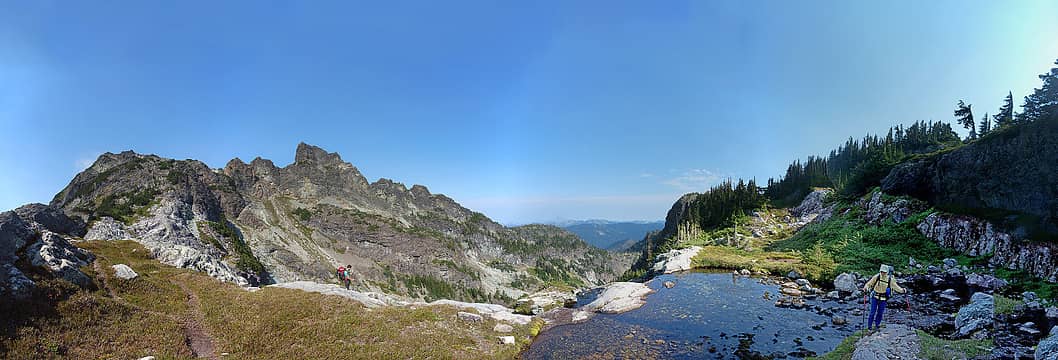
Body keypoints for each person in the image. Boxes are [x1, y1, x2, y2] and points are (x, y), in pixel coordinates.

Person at [862, 264, 906, 331]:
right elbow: (869, 284)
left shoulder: (890, 280)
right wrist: (866, 288)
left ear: (887, 272)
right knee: (872, 313)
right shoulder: (877, 277)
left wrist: (902, 290)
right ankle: (869, 327)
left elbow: (896, 287)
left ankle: (877, 325)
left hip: (883, 299)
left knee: (880, 313)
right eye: (882, 271)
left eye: (884, 272)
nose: (883, 273)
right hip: (875, 297)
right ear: (880, 271)